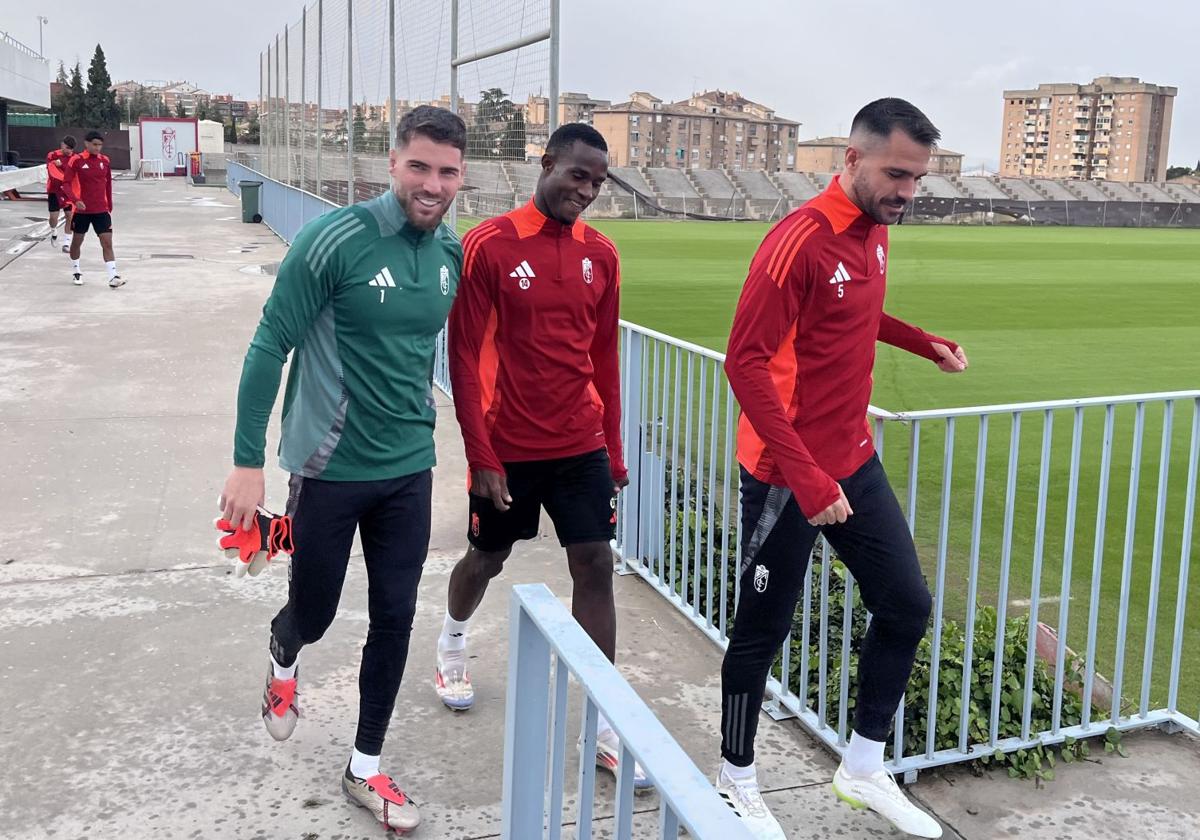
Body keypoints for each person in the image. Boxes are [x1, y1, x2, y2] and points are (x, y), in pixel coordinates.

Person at [715, 98, 968, 839]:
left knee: (906, 605)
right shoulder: (799, 239)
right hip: (784, 473)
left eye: (918, 179)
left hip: (850, 459)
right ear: (851, 160)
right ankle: (735, 778)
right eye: (896, 174)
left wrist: (925, 342)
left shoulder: (874, 234)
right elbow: (746, 363)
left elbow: (859, 313)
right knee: (762, 632)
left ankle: (861, 767)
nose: (908, 192)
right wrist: (806, 476)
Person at [218, 105, 467, 834]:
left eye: (447, 171)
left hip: (409, 468)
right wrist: (246, 463)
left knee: (395, 615)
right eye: (418, 166)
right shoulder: (336, 240)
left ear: (461, 177)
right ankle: (283, 651)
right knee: (318, 612)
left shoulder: (449, 254)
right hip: (328, 468)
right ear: (391, 165)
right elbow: (270, 346)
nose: (432, 183)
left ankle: (365, 765)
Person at [437, 123, 648, 788]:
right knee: (487, 558)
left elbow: (605, 361)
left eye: (597, 182)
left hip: (579, 442)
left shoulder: (603, 256)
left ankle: (607, 723)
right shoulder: (489, 246)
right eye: (577, 175)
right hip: (507, 446)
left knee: (594, 565)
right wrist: (482, 453)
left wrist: (613, 449)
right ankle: (450, 641)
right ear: (547, 162)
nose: (585, 191)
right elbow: (464, 357)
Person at [64, 131, 122, 287]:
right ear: (87, 143)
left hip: (101, 210)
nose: (98, 148)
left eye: (100, 145)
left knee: (107, 242)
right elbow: (66, 184)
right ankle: (76, 270)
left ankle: (113, 276)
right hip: (82, 211)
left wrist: (109, 204)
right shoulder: (76, 160)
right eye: (95, 144)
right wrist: (76, 200)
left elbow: (108, 184)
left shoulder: (105, 161)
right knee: (77, 242)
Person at [45, 135, 77, 250]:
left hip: (68, 191)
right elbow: (51, 170)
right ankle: (53, 232)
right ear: (62, 145)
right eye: (67, 148)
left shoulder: (75, 158)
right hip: (55, 190)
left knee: (70, 216)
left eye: (71, 149)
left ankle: (67, 243)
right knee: (54, 217)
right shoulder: (52, 155)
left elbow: (74, 172)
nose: (69, 151)